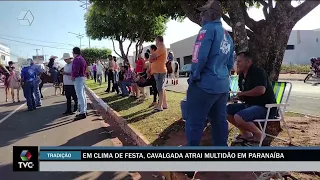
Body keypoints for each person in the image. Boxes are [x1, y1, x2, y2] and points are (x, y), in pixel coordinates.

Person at [185, 0, 234, 147]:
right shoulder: (227, 36)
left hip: (205, 85)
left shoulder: (206, 30)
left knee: (195, 122)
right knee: (219, 121)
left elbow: (199, 56)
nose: (201, 15)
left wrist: (194, 75)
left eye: (203, 12)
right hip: (222, 87)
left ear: (211, 14)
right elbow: (230, 62)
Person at [226, 51, 277, 146]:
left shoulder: (258, 72)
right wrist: (239, 96)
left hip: (265, 107)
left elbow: (261, 90)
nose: (237, 64)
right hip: (249, 105)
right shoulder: (241, 75)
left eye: (239, 61)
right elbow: (245, 94)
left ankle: (260, 135)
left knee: (239, 116)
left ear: (248, 62)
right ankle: (246, 134)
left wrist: (243, 93)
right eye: (236, 61)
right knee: (226, 111)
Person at [148, 36, 168, 112]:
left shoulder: (160, 47)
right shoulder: (160, 48)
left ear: (158, 40)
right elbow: (152, 59)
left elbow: (152, 57)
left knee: (160, 88)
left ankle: (159, 106)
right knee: (161, 87)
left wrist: (151, 57)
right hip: (159, 71)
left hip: (160, 71)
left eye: (156, 41)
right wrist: (152, 58)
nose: (155, 42)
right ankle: (164, 104)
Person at [71, 47, 87, 120]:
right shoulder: (82, 59)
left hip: (78, 78)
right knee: (83, 95)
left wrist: (73, 76)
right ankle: (84, 110)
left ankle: (82, 112)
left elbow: (75, 69)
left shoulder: (77, 59)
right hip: (82, 77)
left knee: (80, 95)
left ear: (74, 52)